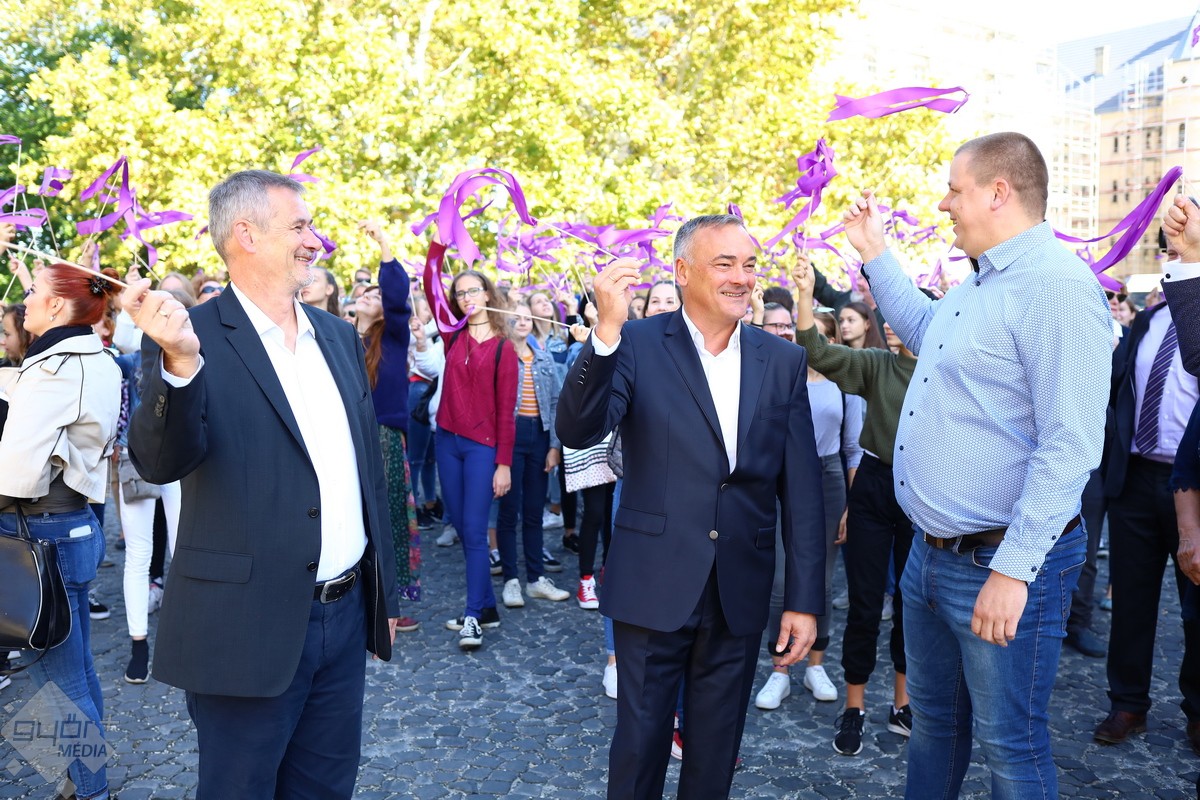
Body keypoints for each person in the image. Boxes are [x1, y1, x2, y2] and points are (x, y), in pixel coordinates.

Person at [841, 132, 1111, 798]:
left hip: (1000, 565)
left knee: (1010, 749)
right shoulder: (984, 279)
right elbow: (927, 332)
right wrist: (875, 253)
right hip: (930, 558)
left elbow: (1072, 443)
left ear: (998, 192)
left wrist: (1013, 570)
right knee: (934, 728)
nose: (944, 203)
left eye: (954, 190)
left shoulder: (1056, 287)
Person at [124, 170, 400, 799]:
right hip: (244, 625)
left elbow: (365, 472)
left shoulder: (338, 336)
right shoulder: (187, 336)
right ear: (246, 234)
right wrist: (181, 364)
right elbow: (159, 461)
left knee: (325, 789)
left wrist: (381, 593)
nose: (315, 240)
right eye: (299, 226)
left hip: (345, 616)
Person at [557, 214, 827, 800]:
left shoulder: (781, 360)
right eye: (724, 263)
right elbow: (577, 428)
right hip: (652, 582)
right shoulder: (635, 342)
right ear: (682, 271)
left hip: (739, 589)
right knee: (639, 747)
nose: (741, 277)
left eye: (749, 264)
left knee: (716, 752)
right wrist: (605, 331)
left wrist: (805, 601)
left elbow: (803, 491)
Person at [0, 261, 122, 800]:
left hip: (40, 534)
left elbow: (14, 475)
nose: (24, 299)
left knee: (56, 678)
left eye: (32, 291)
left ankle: (90, 789)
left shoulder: (56, 368)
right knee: (74, 669)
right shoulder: (95, 359)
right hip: (68, 528)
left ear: (55, 305)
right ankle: (81, 780)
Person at [791, 258, 919, 755]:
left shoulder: (944, 372)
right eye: (889, 314)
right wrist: (805, 296)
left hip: (922, 492)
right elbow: (817, 351)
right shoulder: (876, 364)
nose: (893, 322)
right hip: (872, 486)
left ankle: (902, 704)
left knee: (910, 605)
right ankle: (855, 706)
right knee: (865, 603)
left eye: (906, 313)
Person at [753, 299, 863, 713]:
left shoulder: (843, 384)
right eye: (804, 334)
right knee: (781, 579)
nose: (809, 341)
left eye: (818, 335)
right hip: (782, 477)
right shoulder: (782, 376)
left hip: (829, 475)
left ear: (830, 340)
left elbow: (853, 449)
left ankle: (816, 664)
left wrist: (851, 505)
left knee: (823, 579)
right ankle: (780, 668)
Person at [431, 267, 518, 649]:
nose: (467, 297)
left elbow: (506, 412)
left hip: (482, 447)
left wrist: (504, 464)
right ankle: (487, 607)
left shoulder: (503, 347)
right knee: (464, 530)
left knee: (474, 529)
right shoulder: (451, 335)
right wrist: (437, 245)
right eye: (460, 292)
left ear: (487, 294)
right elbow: (430, 284)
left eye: (474, 290)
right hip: (446, 441)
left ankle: (473, 616)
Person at [356, 222, 422, 632]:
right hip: (347, 437)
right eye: (364, 291)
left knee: (390, 516)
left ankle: (393, 600)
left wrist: (384, 245)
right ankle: (358, 596)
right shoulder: (338, 336)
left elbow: (398, 297)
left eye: (376, 294)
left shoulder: (393, 336)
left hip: (383, 437)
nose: (368, 294)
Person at [496, 300, 569, 608]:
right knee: (508, 509)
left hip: (538, 435)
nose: (523, 322)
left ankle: (536, 578)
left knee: (534, 510)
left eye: (527, 317)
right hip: (510, 436)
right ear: (505, 321)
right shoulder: (500, 355)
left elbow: (554, 402)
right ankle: (511, 579)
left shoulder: (543, 357)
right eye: (516, 317)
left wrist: (554, 446)